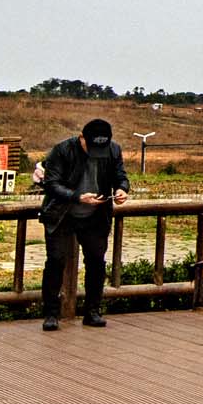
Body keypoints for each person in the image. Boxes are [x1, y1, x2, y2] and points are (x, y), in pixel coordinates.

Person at [37, 118, 130, 329]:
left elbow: (120, 176)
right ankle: (51, 314)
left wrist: (122, 189)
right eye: (92, 146)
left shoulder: (114, 150)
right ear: (81, 138)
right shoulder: (62, 150)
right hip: (62, 214)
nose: (96, 151)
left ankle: (92, 311)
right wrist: (78, 196)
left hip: (96, 215)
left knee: (96, 262)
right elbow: (51, 183)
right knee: (55, 261)